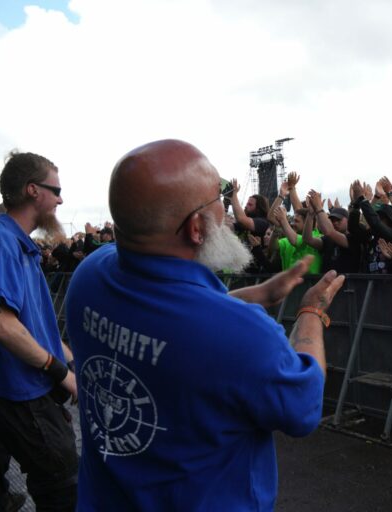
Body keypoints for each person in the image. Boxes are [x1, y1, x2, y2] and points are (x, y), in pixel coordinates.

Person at [64, 139, 345, 511]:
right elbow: (304, 407)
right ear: (196, 228)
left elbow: (175, 324)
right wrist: (311, 313)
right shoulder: (242, 334)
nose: (225, 212)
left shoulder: (88, 277)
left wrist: (257, 294)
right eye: (218, 198)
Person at [0, 151, 78, 511]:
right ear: (33, 190)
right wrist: (59, 371)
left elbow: (34, 327)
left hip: (22, 390)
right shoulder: (2, 241)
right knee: (66, 484)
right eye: (55, 190)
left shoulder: (19, 245)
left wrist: (73, 361)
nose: (60, 200)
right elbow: (3, 324)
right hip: (22, 392)